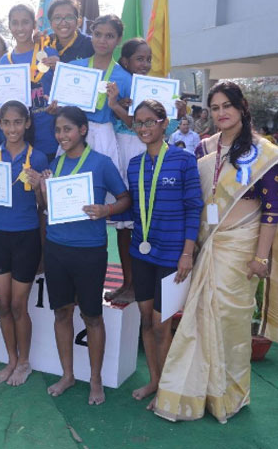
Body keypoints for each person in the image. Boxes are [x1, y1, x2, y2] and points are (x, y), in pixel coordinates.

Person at [154, 81, 278, 423]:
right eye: (215, 107)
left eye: (227, 106)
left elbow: (272, 211)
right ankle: (194, 394)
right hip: (207, 244)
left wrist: (261, 258)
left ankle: (227, 396)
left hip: (241, 249)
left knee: (229, 323)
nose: (221, 113)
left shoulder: (265, 153)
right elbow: (194, 199)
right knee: (197, 319)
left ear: (241, 107)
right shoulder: (204, 148)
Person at [34, 107, 131, 405]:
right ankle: (67, 375)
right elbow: (44, 207)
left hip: (90, 250)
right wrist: (41, 188)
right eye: (58, 130)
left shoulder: (101, 163)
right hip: (57, 248)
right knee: (61, 313)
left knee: (92, 316)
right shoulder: (55, 164)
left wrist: (106, 210)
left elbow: (125, 198)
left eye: (67, 129)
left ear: (83, 130)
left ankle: (96, 379)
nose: (61, 135)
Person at [127, 99, 203, 410]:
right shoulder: (134, 164)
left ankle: (168, 390)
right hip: (141, 253)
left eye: (149, 121)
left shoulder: (184, 160)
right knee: (146, 321)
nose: (143, 128)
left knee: (162, 325)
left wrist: (187, 252)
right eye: (139, 123)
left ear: (164, 123)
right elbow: (134, 209)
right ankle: (154, 381)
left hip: (172, 256)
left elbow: (194, 207)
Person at [0, 100, 48, 386]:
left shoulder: (38, 157)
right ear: (0, 125)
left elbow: (43, 206)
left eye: (18, 122)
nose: (12, 128)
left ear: (27, 123)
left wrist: (39, 186)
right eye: (7, 123)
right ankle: (11, 360)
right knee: (3, 304)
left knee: (18, 305)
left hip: (26, 236)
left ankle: (24, 362)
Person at [105, 38, 152, 304]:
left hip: (143, 155)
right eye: (139, 59)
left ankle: (141, 286)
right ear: (125, 61)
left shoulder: (155, 93)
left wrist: (177, 109)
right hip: (121, 153)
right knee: (123, 227)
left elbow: (140, 124)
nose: (145, 64)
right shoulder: (120, 88)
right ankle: (127, 283)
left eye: (148, 59)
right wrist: (118, 103)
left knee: (142, 224)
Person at [0, 4, 59, 160]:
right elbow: (2, 101)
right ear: (9, 26)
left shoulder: (48, 53)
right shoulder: (5, 60)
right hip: (18, 134)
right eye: (15, 23)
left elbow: (62, 90)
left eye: (25, 22)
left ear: (34, 24)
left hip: (48, 129)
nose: (20, 28)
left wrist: (60, 69)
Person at [70, 15, 130, 169]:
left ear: (119, 40)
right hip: (73, 134)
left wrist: (115, 105)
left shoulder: (125, 78)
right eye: (97, 34)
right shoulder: (74, 68)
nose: (102, 40)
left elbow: (132, 122)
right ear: (91, 35)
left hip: (104, 136)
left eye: (109, 36)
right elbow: (61, 106)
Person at [42, 0, 94, 65]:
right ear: (50, 23)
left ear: (79, 21)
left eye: (69, 17)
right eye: (57, 18)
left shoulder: (91, 45)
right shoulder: (45, 43)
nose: (63, 23)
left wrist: (60, 66)